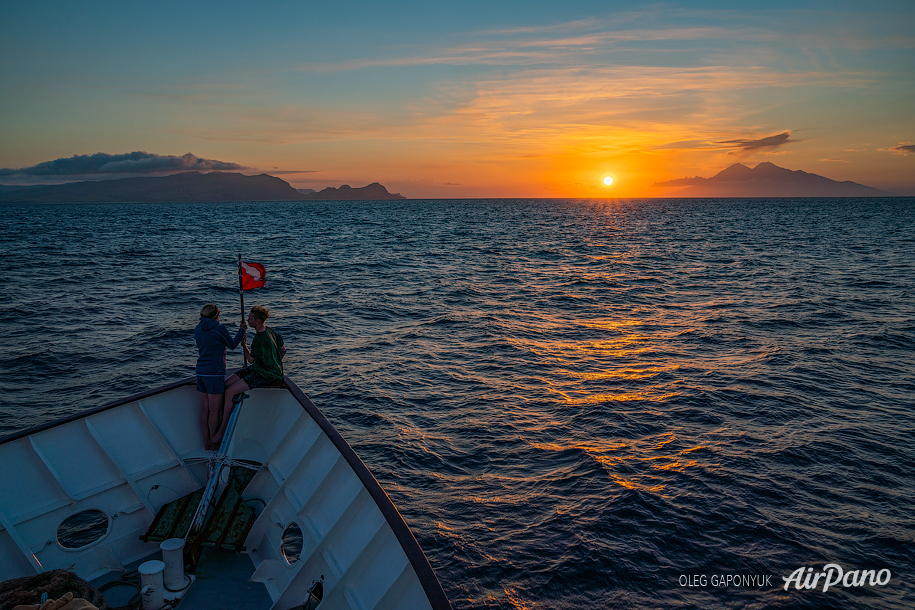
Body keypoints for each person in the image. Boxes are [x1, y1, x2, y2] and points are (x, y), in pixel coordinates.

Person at [211, 305, 285, 448]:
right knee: (227, 382)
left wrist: (244, 344)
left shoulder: (259, 338)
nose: (248, 320)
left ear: (257, 321)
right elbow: (282, 350)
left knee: (229, 391)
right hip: (261, 368)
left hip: (264, 374)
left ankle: (222, 430)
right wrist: (274, 362)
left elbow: (250, 359)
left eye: (250, 319)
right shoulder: (271, 331)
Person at [194, 303, 246, 450]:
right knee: (214, 410)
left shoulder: (197, 329)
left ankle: (206, 441)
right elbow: (232, 344)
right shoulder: (219, 329)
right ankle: (214, 442)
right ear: (217, 315)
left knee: (205, 409)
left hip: (200, 372)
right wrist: (242, 330)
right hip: (214, 373)